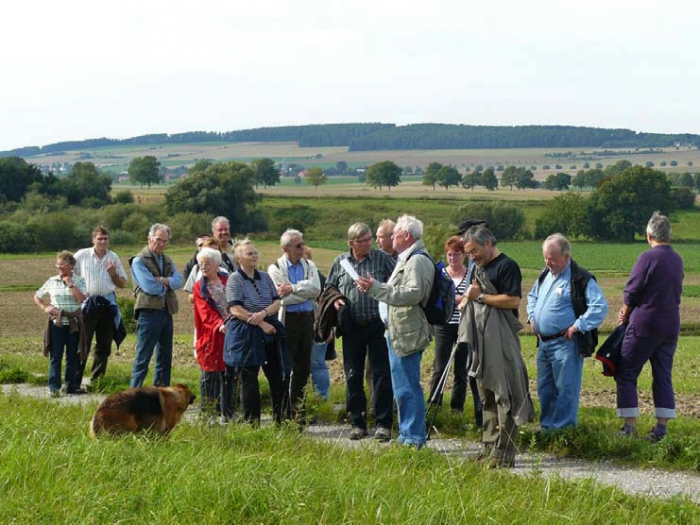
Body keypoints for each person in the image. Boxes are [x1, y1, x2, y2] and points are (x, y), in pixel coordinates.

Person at [357, 215, 434, 448]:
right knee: (401, 386)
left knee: (407, 387)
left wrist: (376, 289)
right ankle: (406, 435)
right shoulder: (407, 258)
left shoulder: (417, 260)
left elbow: (413, 293)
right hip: (399, 330)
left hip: (408, 331)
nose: (391, 238)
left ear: (407, 236)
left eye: (395, 234)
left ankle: (413, 439)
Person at [460, 225, 534, 468]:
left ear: (489, 242)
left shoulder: (507, 266)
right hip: (483, 340)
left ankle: (504, 454)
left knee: (504, 394)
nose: (472, 257)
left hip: (501, 339)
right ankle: (489, 446)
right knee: (487, 395)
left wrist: (479, 297)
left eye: (474, 251)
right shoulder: (478, 268)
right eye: (469, 253)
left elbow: (512, 300)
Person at [526, 233, 608, 431]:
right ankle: (547, 429)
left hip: (565, 344)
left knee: (566, 389)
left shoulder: (580, 278)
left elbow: (599, 307)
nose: (548, 262)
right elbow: (532, 297)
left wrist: (577, 326)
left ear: (566, 256)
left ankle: (564, 432)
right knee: (545, 389)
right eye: (546, 257)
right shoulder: (544, 274)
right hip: (544, 343)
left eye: (552, 258)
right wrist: (532, 317)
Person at [617, 212, 684, 441]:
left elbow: (633, 290)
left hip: (645, 325)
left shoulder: (647, 258)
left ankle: (629, 427)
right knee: (663, 375)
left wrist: (624, 312)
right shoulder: (677, 259)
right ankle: (661, 428)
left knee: (626, 370)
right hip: (670, 324)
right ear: (669, 235)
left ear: (649, 236)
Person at [326, 222, 396, 441]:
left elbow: (396, 283)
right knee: (353, 375)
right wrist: (336, 299)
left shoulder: (381, 259)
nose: (367, 243)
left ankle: (383, 423)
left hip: (377, 324)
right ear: (351, 243)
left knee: (381, 374)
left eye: (368, 239)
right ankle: (357, 421)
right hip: (352, 326)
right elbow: (329, 287)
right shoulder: (340, 262)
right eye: (362, 240)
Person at [224, 239, 288, 425]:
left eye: (255, 252)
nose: (254, 256)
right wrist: (260, 323)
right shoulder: (234, 279)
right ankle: (252, 424)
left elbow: (277, 302)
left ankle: (282, 421)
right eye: (249, 253)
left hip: (269, 327)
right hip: (246, 332)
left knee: (278, 375)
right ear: (239, 258)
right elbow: (235, 309)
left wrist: (264, 314)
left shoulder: (265, 277)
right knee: (249, 380)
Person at [268, 229, 321, 421]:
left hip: (306, 319)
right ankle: (283, 412)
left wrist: (293, 288)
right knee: (285, 367)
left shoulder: (310, 264)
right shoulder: (274, 268)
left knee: (303, 367)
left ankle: (299, 411)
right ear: (286, 248)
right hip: (287, 321)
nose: (303, 248)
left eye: (303, 244)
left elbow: (316, 289)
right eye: (298, 245)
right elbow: (282, 299)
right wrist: (302, 291)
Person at [428, 236, 480, 420]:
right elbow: (438, 297)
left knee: (461, 369)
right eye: (449, 255)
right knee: (439, 366)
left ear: (463, 255)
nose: (452, 258)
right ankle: (435, 405)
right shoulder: (441, 273)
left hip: (464, 324)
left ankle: (456, 409)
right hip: (443, 325)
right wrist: (460, 299)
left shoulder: (471, 273)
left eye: (456, 254)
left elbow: (475, 293)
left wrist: (464, 299)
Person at [129, 223, 183, 388]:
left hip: (166, 312)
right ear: (149, 238)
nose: (162, 244)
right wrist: (168, 284)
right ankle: (133, 395)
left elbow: (179, 281)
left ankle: (161, 394)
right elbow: (149, 287)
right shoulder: (138, 261)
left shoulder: (166, 259)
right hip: (148, 313)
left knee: (165, 357)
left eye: (165, 241)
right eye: (158, 240)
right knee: (143, 357)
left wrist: (163, 281)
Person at [73, 226, 128, 386]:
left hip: (106, 305)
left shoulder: (113, 257)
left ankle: (97, 381)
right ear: (93, 240)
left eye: (105, 239)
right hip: (87, 305)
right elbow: (70, 275)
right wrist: (77, 292)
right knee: (83, 344)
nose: (103, 241)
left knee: (104, 345)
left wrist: (113, 273)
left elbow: (122, 283)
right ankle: (74, 381)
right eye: (100, 239)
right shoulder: (82, 255)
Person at [34, 251, 88, 396]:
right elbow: (37, 296)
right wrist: (45, 307)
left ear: (71, 266)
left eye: (61, 264)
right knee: (56, 356)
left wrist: (71, 285)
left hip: (73, 323)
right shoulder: (52, 281)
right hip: (56, 324)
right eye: (57, 264)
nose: (59, 267)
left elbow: (81, 299)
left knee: (72, 356)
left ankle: (71, 386)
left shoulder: (79, 281)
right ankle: (54, 387)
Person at [192, 247, 231, 417]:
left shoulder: (227, 280)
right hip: (211, 336)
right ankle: (208, 414)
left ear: (217, 264)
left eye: (207, 263)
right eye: (201, 264)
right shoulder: (199, 287)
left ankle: (227, 412)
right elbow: (205, 312)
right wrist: (220, 325)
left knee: (229, 374)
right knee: (210, 373)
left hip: (231, 331)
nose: (203, 267)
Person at [304, 246, 332, 400]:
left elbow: (328, 307)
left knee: (318, 364)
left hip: (319, 327)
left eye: (306, 258)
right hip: (297, 327)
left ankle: (321, 398)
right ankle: (300, 399)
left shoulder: (321, 280)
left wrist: (329, 328)